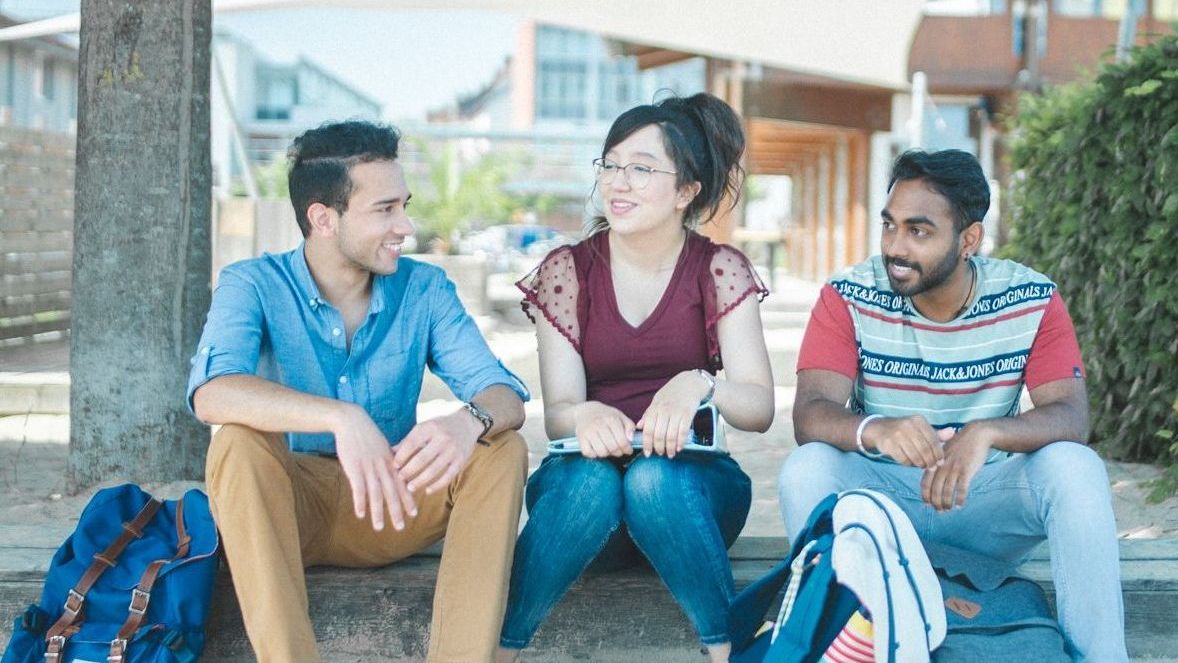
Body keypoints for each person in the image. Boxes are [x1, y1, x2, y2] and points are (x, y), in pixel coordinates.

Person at [187, 120, 530, 663]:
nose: (407, 226)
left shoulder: (423, 288)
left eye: (404, 205)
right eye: (385, 209)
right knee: (236, 443)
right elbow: (213, 392)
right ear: (324, 218)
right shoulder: (251, 283)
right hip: (289, 509)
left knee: (501, 447)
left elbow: (504, 394)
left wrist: (469, 421)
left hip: (393, 501)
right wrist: (341, 418)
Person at [778, 149, 1127, 662]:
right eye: (889, 226)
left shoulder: (1030, 297)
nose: (896, 246)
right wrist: (875, 429)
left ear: (969, 240)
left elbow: (1071, 416)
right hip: (882, 511)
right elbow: (810, 413)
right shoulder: (848, 294)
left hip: (981, 505)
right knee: (805, 468)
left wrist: (985, 434)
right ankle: (833, 645)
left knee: (1076, 467)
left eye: (919, 231)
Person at [496, 93, 776, 663]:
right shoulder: (566, 271)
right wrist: (585, 414)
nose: (618, 183)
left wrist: (700, 382)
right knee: (592, 482)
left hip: (690, 501)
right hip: (585, 507)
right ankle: (501, 650)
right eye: (610, 165)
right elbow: (558, 413)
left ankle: (731, 652)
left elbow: (759, 408)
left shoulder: (719, 270)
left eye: (642, 169)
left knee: (653, 480)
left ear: (686, 191)